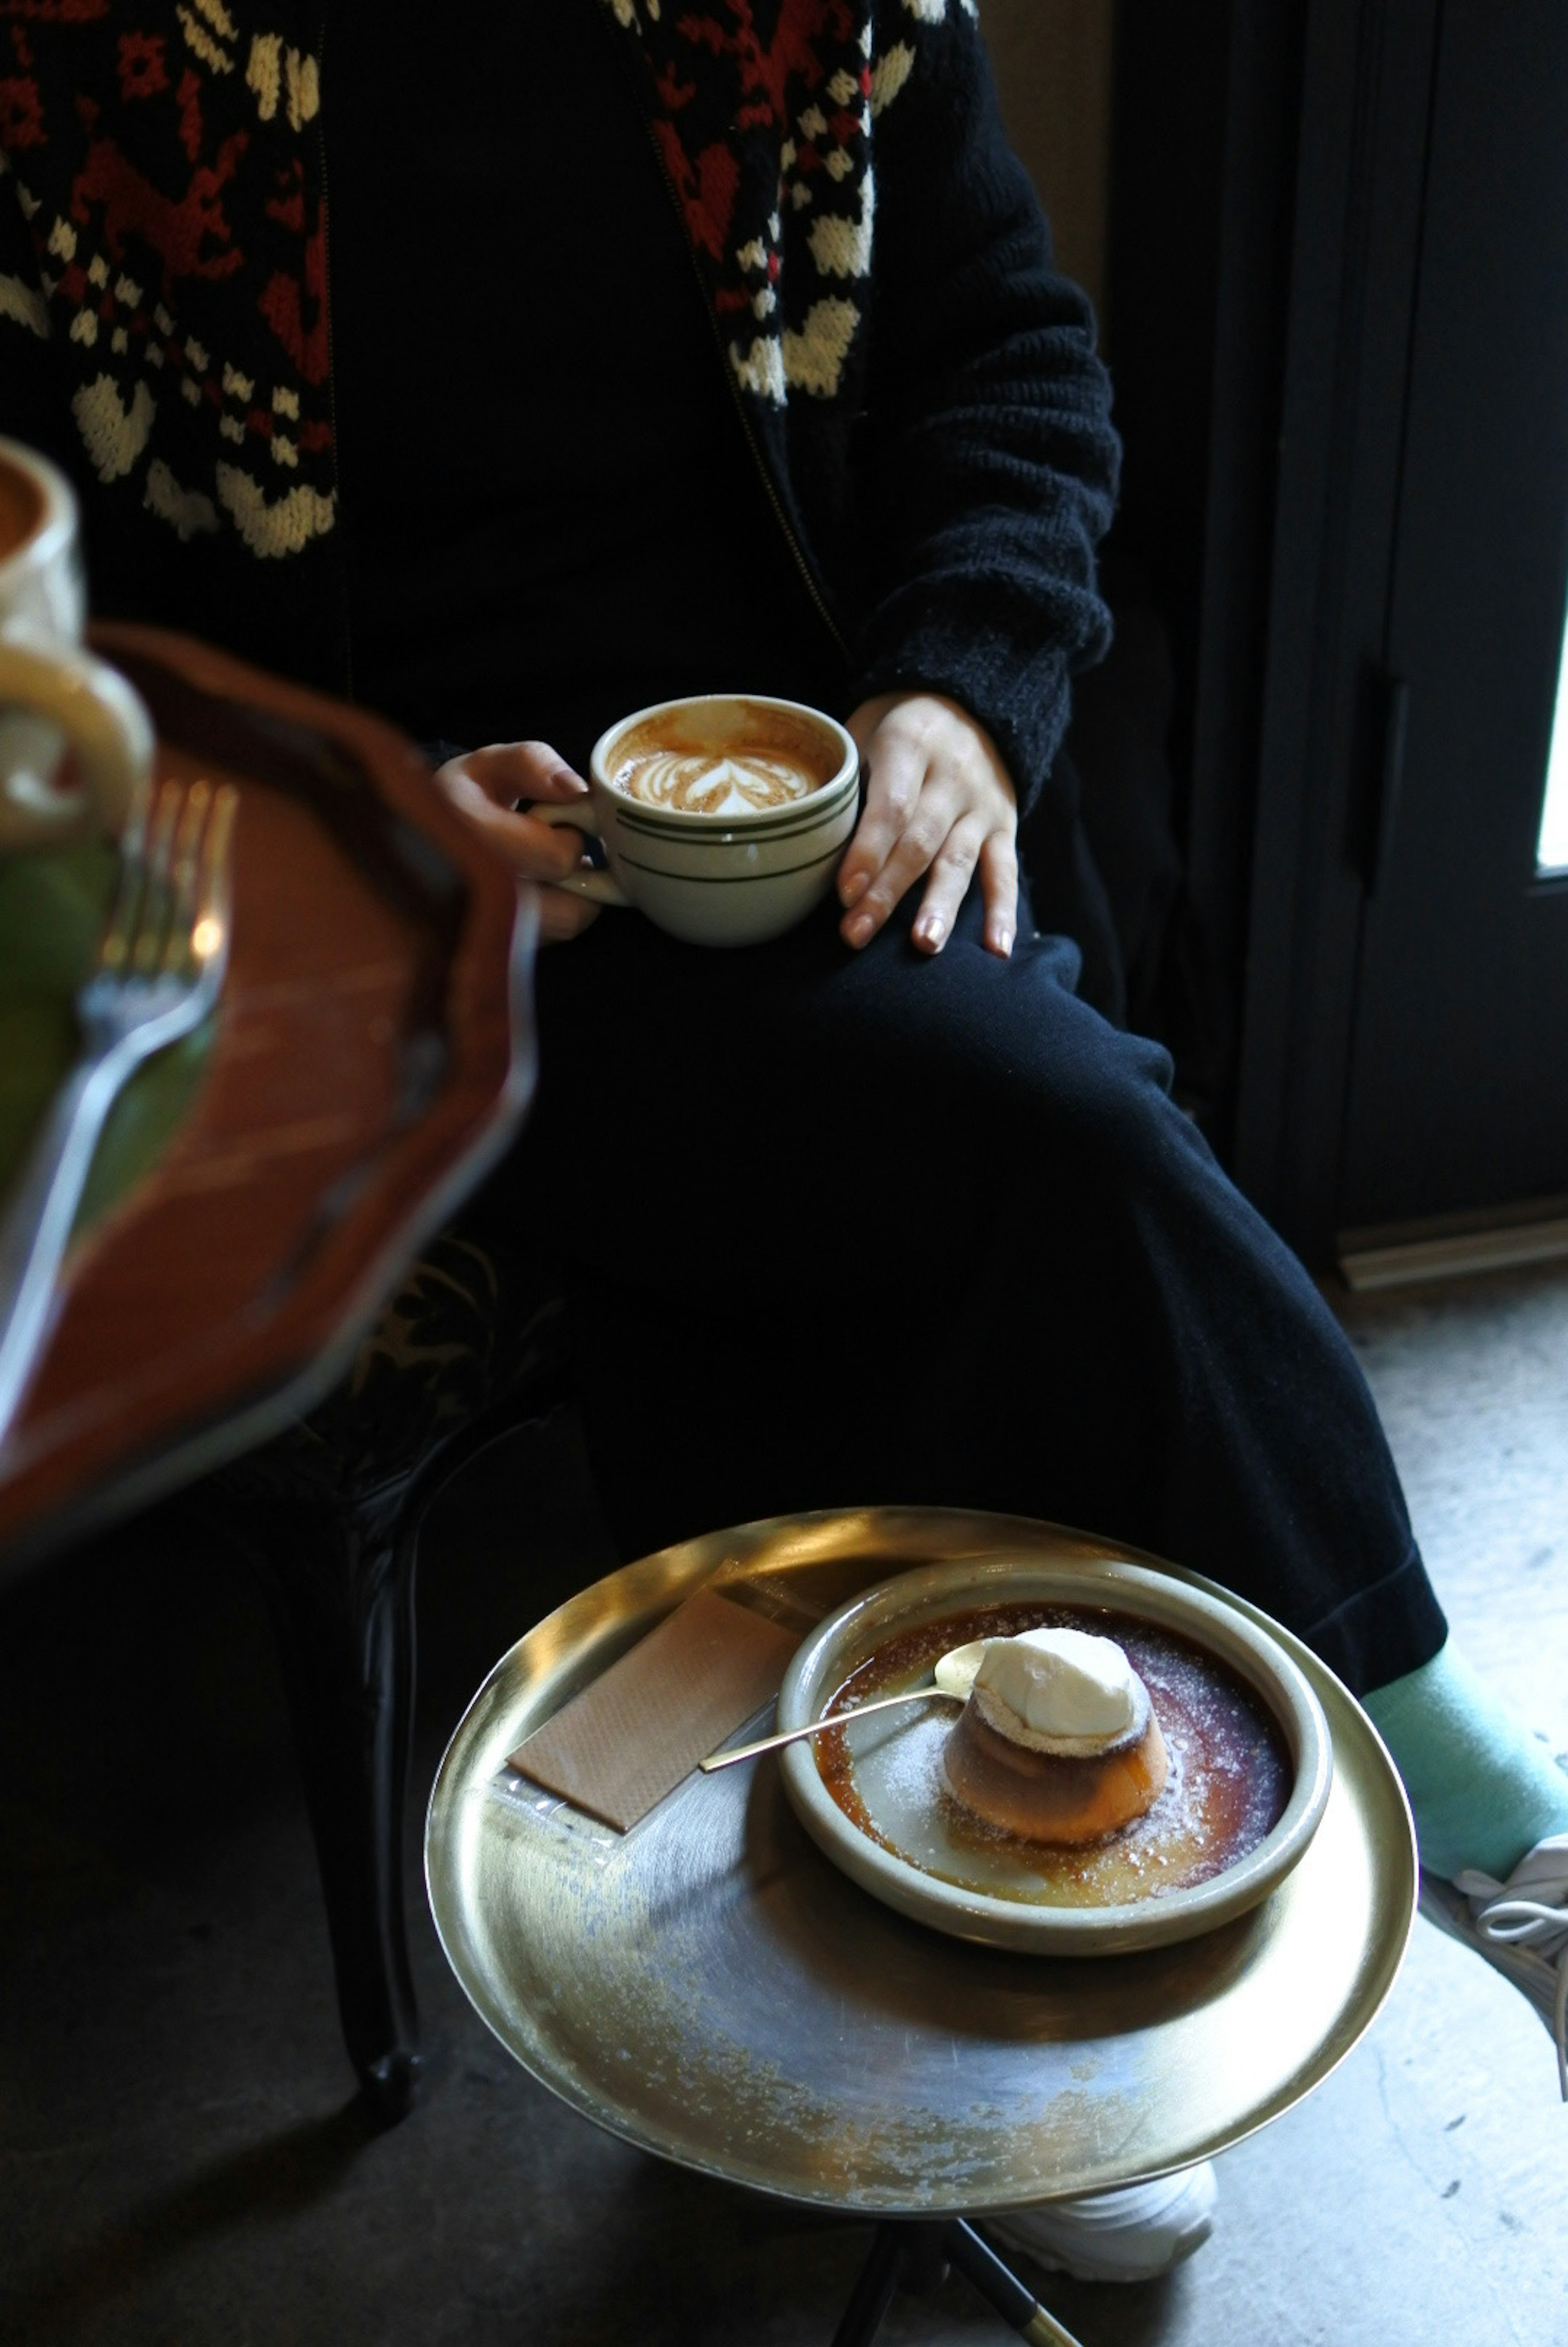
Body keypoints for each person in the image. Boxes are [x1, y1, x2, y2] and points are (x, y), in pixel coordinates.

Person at [2, 0, 1564, 2285]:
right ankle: (1471, 1850)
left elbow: (1011, 361)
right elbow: (49, 646)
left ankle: (982, 1976)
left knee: (977, 1106)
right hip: (422, 938)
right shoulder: (89, 73)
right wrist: (358, 822)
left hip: (822, 797)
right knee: (1045, 1140)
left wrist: (959, 689)